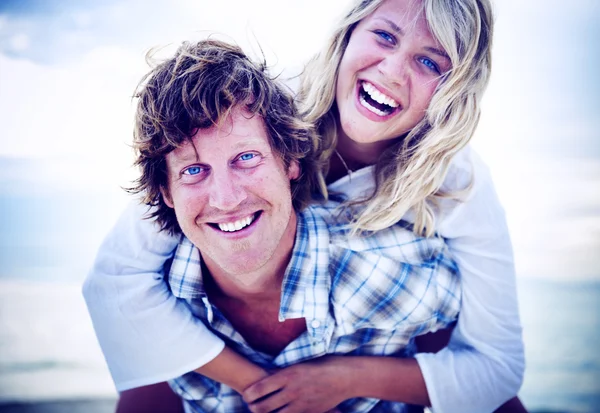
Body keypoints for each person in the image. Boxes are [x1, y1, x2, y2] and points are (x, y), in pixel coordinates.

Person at [83, 0, 525, 412]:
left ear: (456, 86)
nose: (391, 72)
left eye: (429, 61)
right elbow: (117, 282)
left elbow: (496, 368)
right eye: (385, 37)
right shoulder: (251, 113)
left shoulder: (456, 181)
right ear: (347, 35)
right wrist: (253, 382)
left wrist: (343, 380)